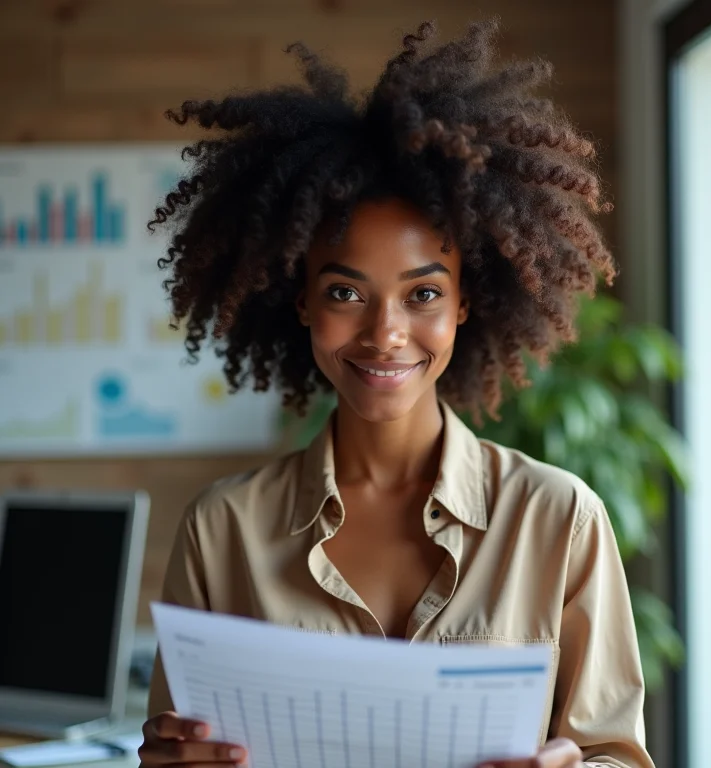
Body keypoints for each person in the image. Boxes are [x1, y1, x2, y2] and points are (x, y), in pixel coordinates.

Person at [138, 18, 654, 768]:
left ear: (466, 304)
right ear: (301, 301)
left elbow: (617, 754)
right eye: (346, 291)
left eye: (422, 294)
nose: (385, 334)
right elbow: (175, 751)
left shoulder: (558, 520)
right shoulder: (222, 533)